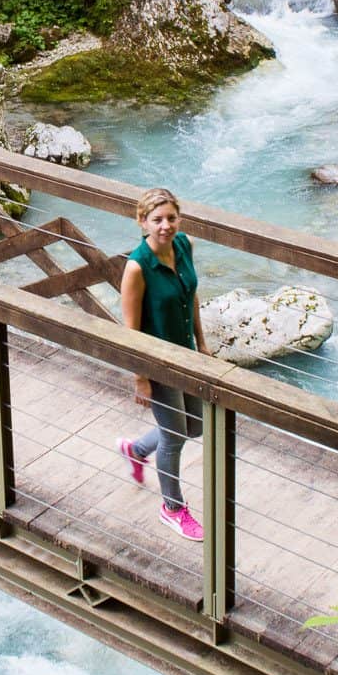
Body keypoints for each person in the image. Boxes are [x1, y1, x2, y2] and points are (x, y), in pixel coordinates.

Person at [116, 186, 207, 541]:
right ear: (142, 223)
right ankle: (172, 508)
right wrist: (141, 378)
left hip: (186, 355)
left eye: (171, 218)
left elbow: (191, 294)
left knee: (195, 427)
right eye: (157, 220)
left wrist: (201, 343)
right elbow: (131, 331)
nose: (165, 226)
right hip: (158, 363)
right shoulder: (137, 267)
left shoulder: (184, 246)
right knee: (175, 436)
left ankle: (135, 450)